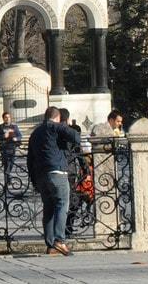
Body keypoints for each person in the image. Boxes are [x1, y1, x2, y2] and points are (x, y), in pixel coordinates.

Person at [27, 106, 80, 256]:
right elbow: (76, 137)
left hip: (41, 175)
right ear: (57, 118)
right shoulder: (55, 126)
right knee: (62, 204)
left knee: (49, 208)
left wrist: (34, 180)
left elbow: (29, 158)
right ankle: (60, 241)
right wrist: (65, 126)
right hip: (57, 172)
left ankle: (50, 245)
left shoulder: (35, 132)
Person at [60, 109, 92, 238]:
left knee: (59, 201)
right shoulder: (71, 133)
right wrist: (86, 169)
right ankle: (68, 226)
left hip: (57, 170)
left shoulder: (51, 133)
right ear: (67, 119)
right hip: (70, 170)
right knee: (73, 200)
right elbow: (78, 152)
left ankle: (58, 229)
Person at [0, 112, 22, 180]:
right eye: (6, 117)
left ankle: (7, 176)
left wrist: (16, 138)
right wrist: (3, 136)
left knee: (11, 163)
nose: (8, 119)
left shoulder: (14, 126)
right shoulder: (0, 127)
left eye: (9, 117)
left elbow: (20, 136)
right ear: (3, 119)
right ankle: (6, 182)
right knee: (6, 164)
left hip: (12, 147)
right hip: (4, 148)